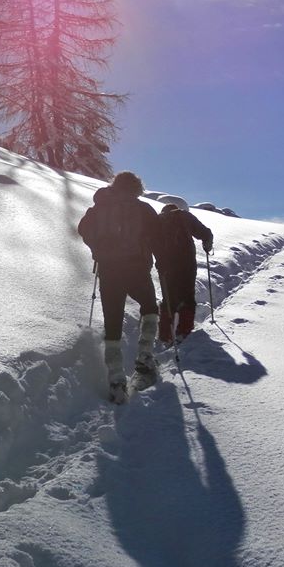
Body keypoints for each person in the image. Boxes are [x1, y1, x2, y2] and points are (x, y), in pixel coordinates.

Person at [77, 171, 163, 403]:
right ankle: (145, 359)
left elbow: (83, 230)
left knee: (112, 320)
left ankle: (116, 378)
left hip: (108, 270)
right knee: (150, 308)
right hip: (136, 268)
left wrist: (100, 247)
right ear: (137, 188)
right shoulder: (143, 209)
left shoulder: (99, 207)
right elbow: (158, 237)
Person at [156, 203, 213, 343]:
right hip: (186, 262)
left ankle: (165, 335)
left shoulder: (158, 219)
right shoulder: (184, 215)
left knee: (168, 299)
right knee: (187, 296)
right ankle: (184, 331)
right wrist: (207, 245)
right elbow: (205, 233)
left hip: (166, 264)